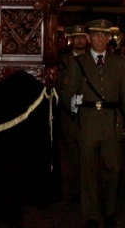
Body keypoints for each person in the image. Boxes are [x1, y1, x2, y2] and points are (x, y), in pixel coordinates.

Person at [61, 19, 125, 228]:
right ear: (89, 38)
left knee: (113, 169)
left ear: (109, 38)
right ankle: (91, 215)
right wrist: (72, 104)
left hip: (111, 122)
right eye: (97, 35)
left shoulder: (119, 63)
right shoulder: (77, 63)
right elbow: (66, 93)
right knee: (87, 171)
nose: (101, 39)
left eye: (105, 35)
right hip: (87, 122)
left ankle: (108, 210)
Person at [58, 24, 88, 204]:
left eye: (82, 37)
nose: (79, 40)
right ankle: (77, 189)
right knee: (73, 153)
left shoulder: (94, 60)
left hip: (90, 111)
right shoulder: (63, 60)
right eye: (76, 37)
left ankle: (89, 189)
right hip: (69, 112)